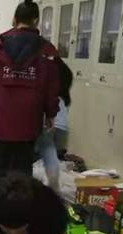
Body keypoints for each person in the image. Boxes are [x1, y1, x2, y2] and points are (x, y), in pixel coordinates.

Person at [0, 0, 60, 177]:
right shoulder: (47, 50)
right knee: (22, 173)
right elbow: (52, 87)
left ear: (14, 19)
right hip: (28, 124)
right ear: (36, 21)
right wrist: (51, 113)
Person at [36, 58, 74, 193]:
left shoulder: (50, 96)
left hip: (50, 129)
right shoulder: (64, 98)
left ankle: (48, 189)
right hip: (61, 133)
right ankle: (53, 189)